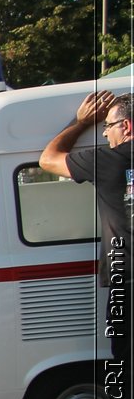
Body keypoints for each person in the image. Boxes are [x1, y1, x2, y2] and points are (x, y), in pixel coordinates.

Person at [38, 90, 131, 359]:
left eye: (108, 126)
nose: (104, 134)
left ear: (126, 126)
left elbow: (48, 159)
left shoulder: (109, 161)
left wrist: (81, 123)